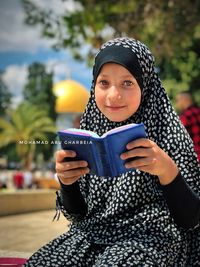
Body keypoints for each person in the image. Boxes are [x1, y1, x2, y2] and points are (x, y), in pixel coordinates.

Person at [23, 38, 200, 266]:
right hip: (93, 235)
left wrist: (167, 171)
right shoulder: (87, 133)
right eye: (104, 83)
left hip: (153, 238)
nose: (113, 95)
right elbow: (77, 215)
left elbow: (191, 221)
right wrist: (67, 182)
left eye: (127, 83)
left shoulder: (168, 133)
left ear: (144, 85)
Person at [176, 91, 200, 161]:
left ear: (184, 100)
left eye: (178, 100)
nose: (177, 104)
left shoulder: (185, 116)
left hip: (195, 159)